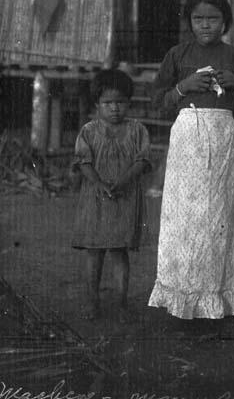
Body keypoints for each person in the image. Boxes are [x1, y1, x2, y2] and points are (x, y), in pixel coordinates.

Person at [148, 0, 234, 331]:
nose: (206, 25)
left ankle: (220, 300)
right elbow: (157, 100)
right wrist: (184, 88)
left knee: (220, 220)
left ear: (225, 21)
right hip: (187, 143)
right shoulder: (177, 55)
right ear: (189, 21)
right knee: (187, 220)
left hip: (225, 142)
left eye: (213, 19)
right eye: (199, 18)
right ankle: (184, 300)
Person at [72, 69, 151, 321]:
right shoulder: (88, 130)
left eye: (120, 102)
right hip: (96, 200)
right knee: (94, 252)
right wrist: (100, 183)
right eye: (107, 103)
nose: (114, 108)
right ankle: (92, 301)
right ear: (97, 104)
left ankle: (121, 303)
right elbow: (83, 162)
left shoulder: (137, 130)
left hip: (125, 199)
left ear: (129, 102)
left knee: (119, 252)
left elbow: (143, 160)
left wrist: (123, 181)